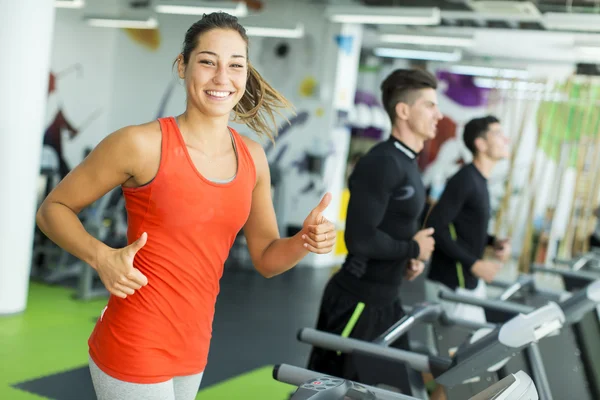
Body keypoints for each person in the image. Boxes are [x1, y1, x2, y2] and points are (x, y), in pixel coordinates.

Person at [36, 12, 336, 400]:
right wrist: (101, 256)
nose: (221, 78)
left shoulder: (253, 158)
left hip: (194, 345)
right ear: (183, 65)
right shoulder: (141, 144)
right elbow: (52, 209)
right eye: (208, 61)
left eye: (235, 65)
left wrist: (304, 242)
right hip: (135, 339)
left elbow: (264, 257)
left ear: (246, 74)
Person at [305, 68, 441, 392]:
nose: (438, 114)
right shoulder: (382, 163)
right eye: (430, 105)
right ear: (403, 111)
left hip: (387, 301)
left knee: (397, 392)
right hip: (357, 302)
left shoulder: (408, 163)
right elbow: (360, 239)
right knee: (333, 394)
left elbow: (390, 227)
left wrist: (406, 259)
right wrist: (412, 249)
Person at [425, 115, 511, 324]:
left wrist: (492, 242)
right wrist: (474, 264)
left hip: (469, 282)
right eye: (497, 134)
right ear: (480, 144)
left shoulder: (479, 180)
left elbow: (464, 226)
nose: (505, 139)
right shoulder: (465, 179)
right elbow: (435, 226)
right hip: (454, 285)